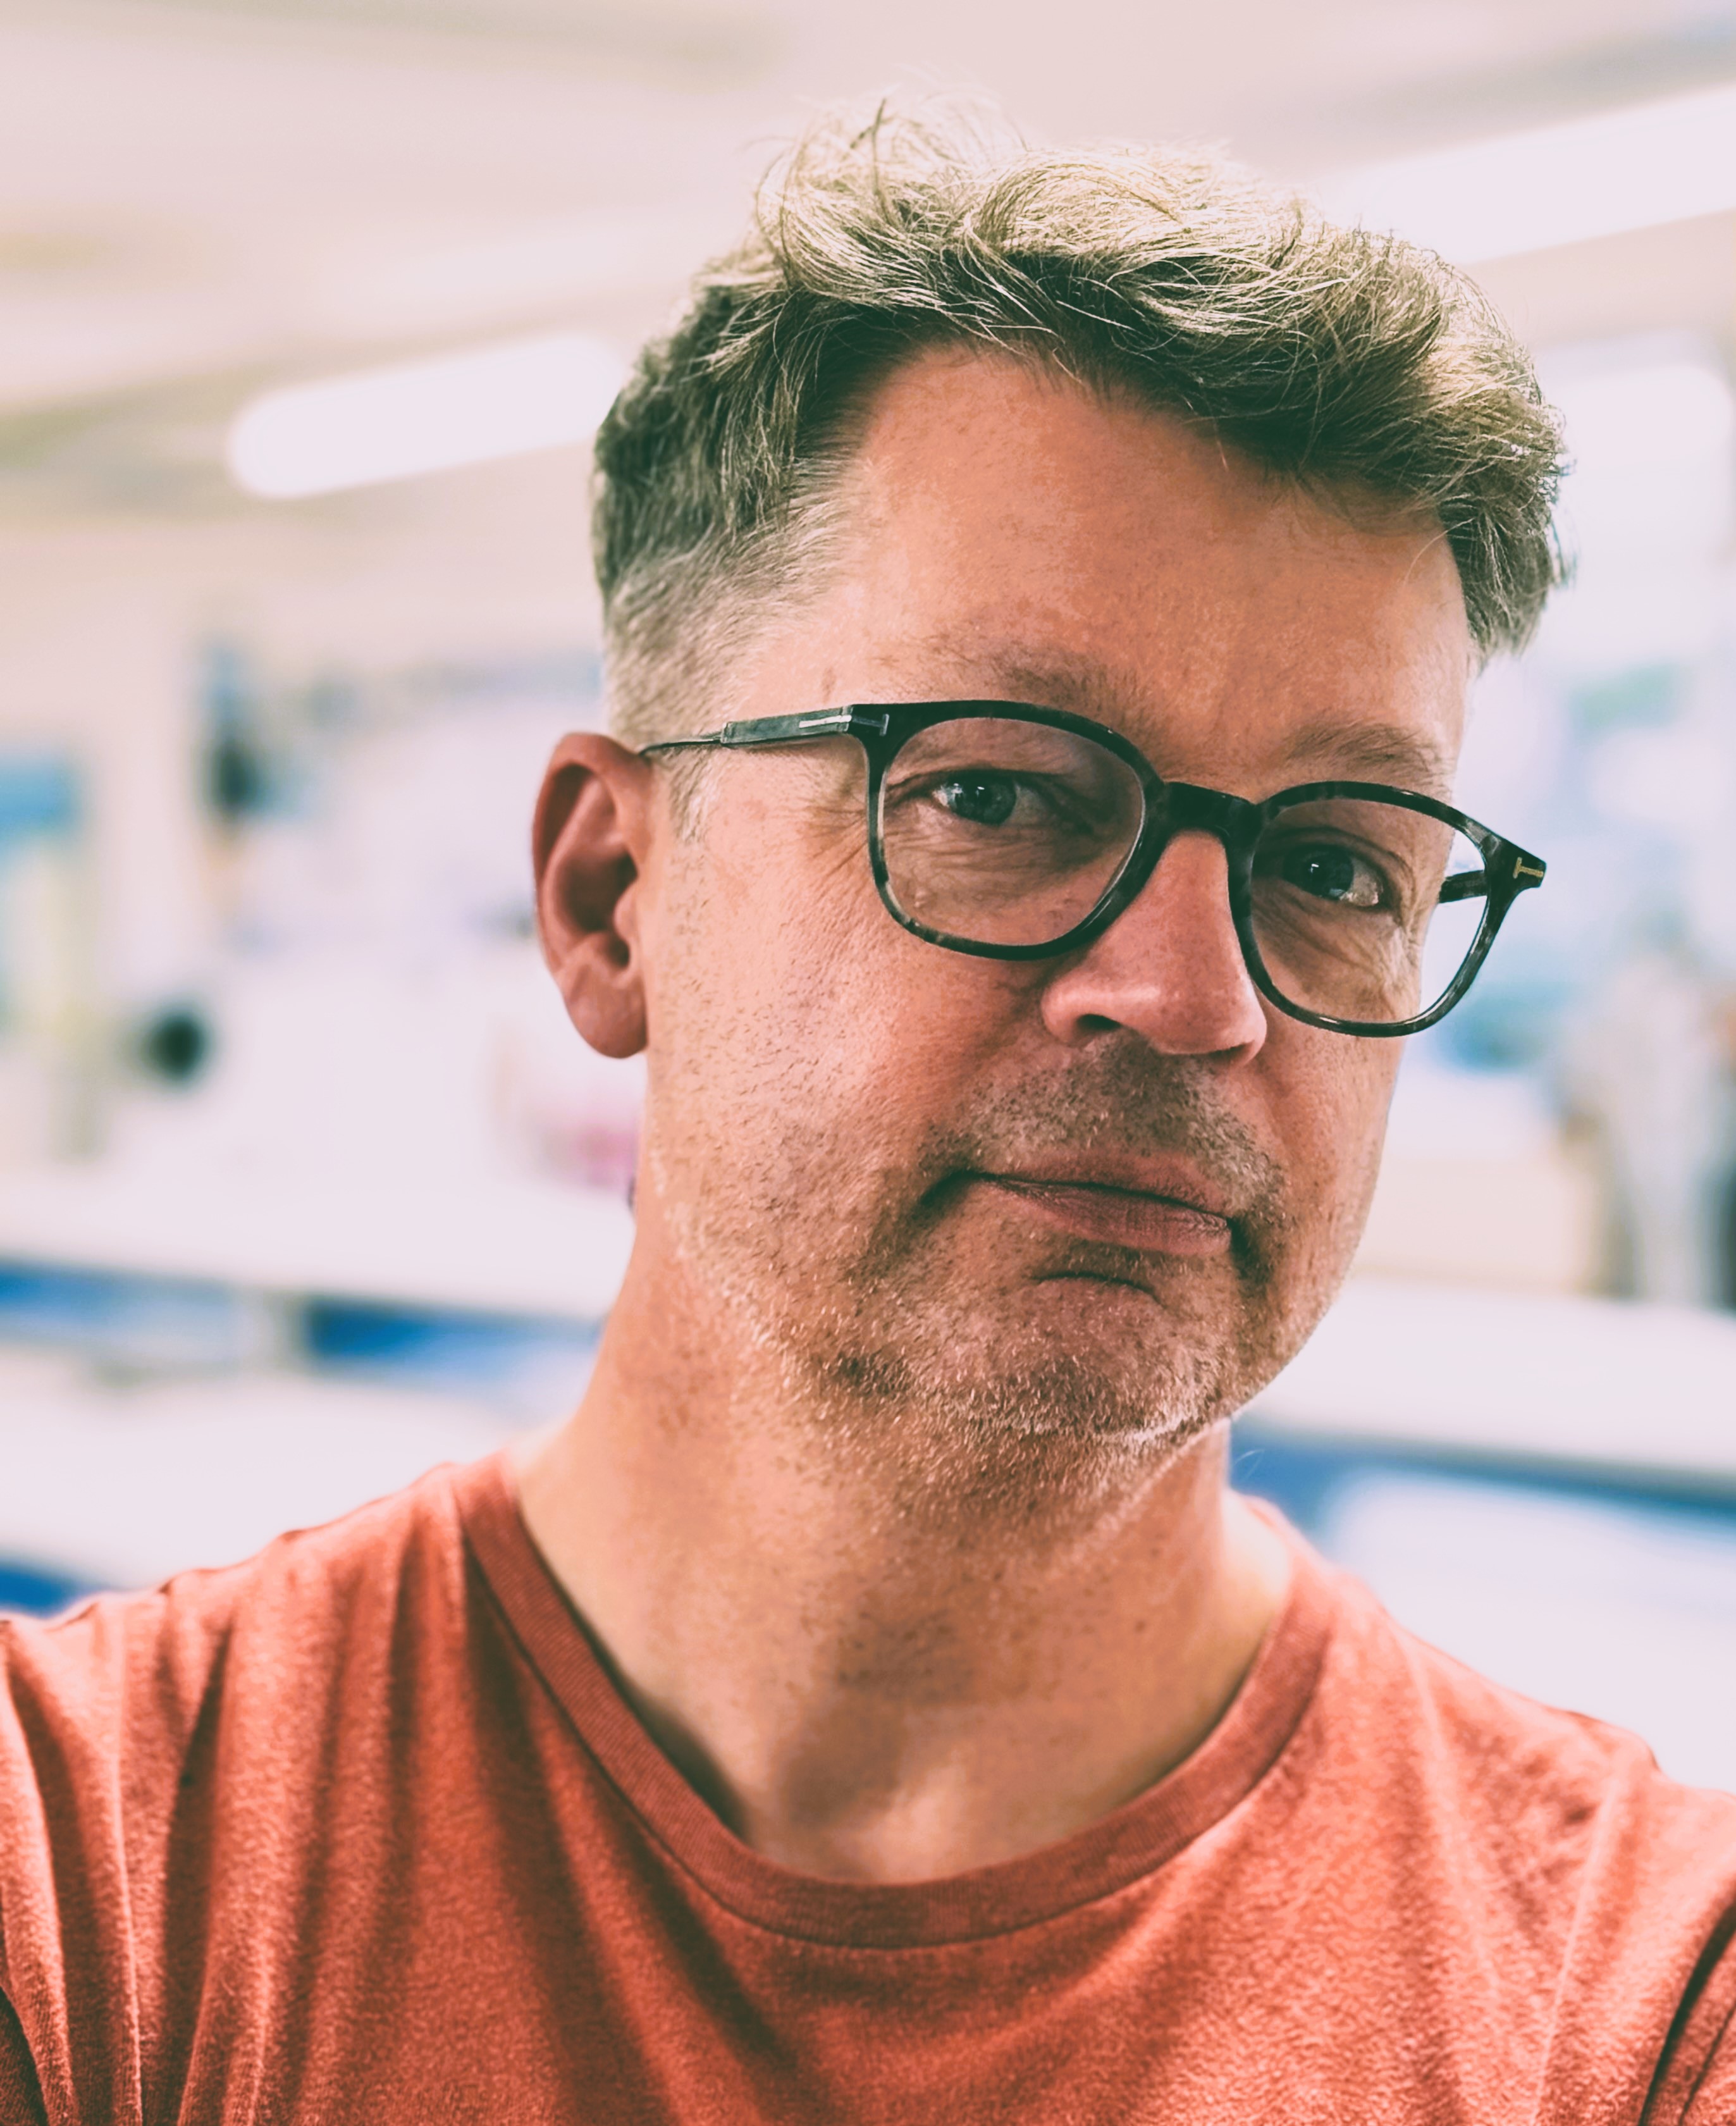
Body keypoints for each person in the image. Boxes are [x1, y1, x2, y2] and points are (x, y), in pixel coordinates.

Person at [4, 104, 1734, 2126]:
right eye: (995, 793)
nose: (1197, 997)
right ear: (611, 897)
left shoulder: (1634, 2004)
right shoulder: (97, 1884)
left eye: (1337, 864)